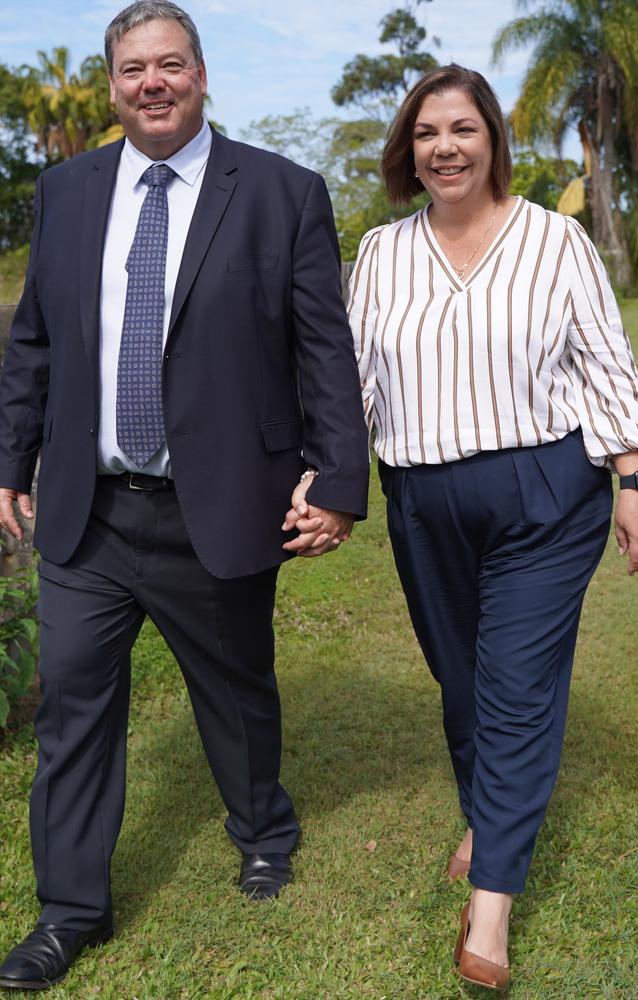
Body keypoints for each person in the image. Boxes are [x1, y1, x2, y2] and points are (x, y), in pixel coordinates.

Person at [0, 0, 369, 990]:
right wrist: (10, 459)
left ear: (202, 75)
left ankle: (260, 830)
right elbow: (34, 338)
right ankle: (70, 908)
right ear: (112, 84)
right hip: (89, 511)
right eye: (132, 69)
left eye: (170, 64)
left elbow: (320, 346)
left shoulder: (281, 191)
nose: (151, 82)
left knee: (237, 691)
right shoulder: (69, 191)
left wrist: (336, 480)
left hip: (217, 501)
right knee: (73, 709)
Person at [312, 65, 638, 990]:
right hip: (423, 498)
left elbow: (605, 361)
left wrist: (636, 475)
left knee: (514, 684)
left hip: (545, 491)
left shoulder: (556, 240)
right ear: (407, 152)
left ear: (493, 139)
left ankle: (492, 904)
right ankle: (487, 809)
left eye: (462, 129)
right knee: (460, 678)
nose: (445, 147)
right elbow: (356, 384)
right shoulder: (379, 253)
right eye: (426, 134)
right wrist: (327, 478)